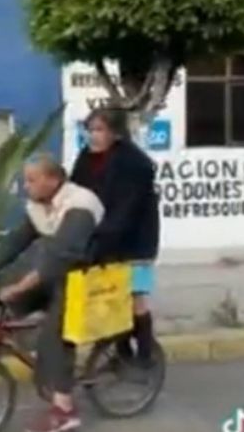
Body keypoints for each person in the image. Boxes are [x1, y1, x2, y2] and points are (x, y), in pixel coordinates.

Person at [0, 153, 104, 432]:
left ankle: (65, 411)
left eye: (31, 180)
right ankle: (45, 369)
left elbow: (58, 256)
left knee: (56, 336)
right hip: (58, 273)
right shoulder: (40, 205)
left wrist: (17, 287)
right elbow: (18, 240)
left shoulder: (80, 206)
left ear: (53, 180)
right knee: (10, 309)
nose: (25, 186)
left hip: (86, 277)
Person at [70, 107, 160, 370]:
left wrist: (98, 238)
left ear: (116, 133)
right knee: (112, 301)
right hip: (104, 235)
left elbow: (126, 211)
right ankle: (122, 354)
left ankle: (145, 356)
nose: (93, 136)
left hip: (135, 240)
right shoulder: (86, 158)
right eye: (90, 130)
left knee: (134, 298)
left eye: (99, 130)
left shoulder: (135, 163)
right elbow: (76, 191)